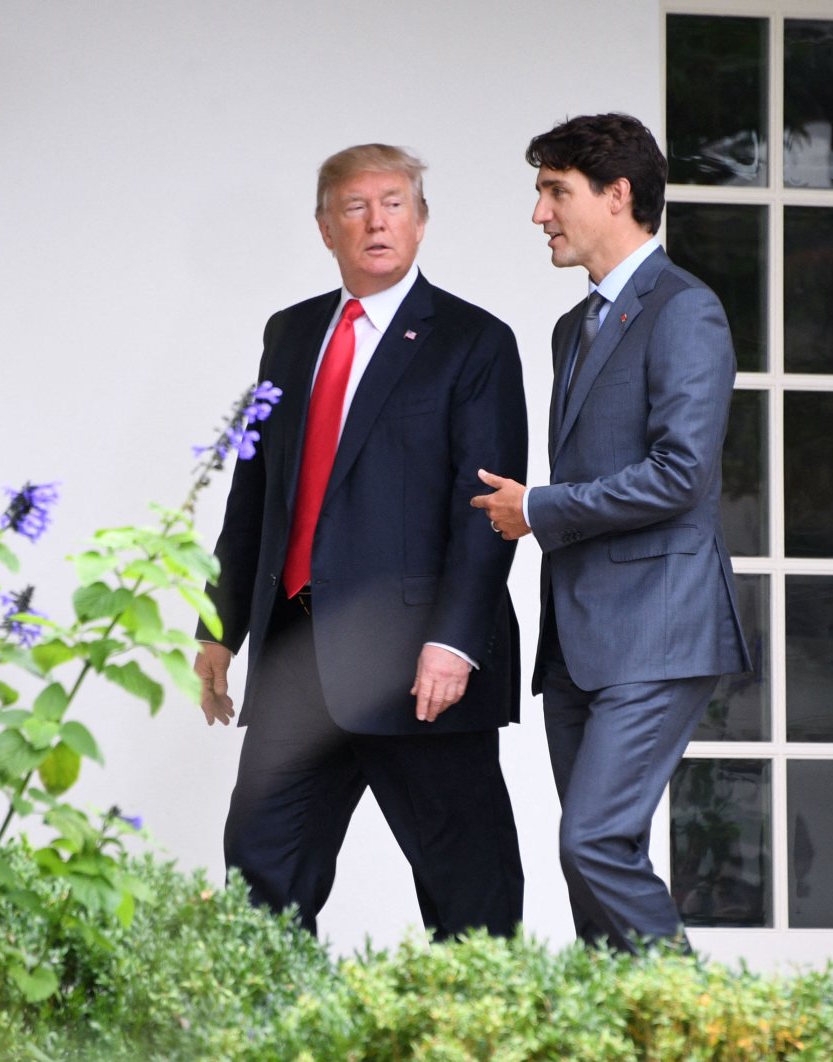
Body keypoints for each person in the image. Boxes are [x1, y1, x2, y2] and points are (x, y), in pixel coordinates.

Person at [193, 144, 528, 939]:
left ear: (420, 220)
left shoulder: (472, 342)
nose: (376, 221)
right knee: (260, 877)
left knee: (467, 886)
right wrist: (219, 627)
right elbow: (255, 492)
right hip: (297, 652)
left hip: (422, 664)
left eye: (394, 203)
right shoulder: (291, 333)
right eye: (355, 206)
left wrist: (454, 642)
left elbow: (486, 505)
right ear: (324, 228)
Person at [472, 113, 750, 951]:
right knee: (597, 856)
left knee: (591, 842)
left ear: (617, 193)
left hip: (658, 628)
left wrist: (541, 509)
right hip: (579, 641)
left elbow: (681, 473)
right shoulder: (574, 326)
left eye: (556, 192)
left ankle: (699, 1032)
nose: (539, 215)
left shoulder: (684, 311)